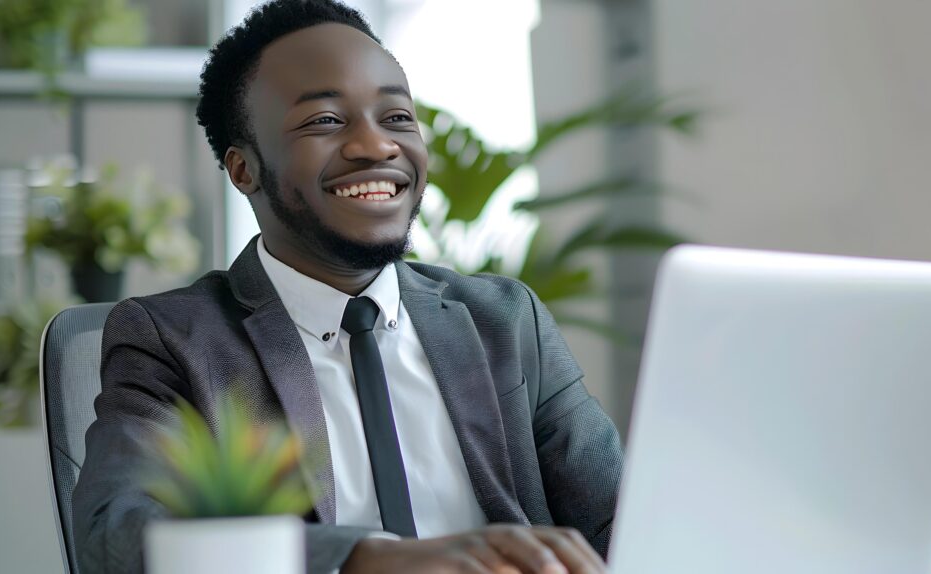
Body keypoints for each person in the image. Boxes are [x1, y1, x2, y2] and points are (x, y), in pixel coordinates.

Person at [72, 1, 623, 572]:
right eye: (326, 121)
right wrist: (360, 558)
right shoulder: (174, 339)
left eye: (397, 118)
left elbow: (620, 515)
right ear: (243, 169)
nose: (376, 146)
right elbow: (117, 537)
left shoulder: (504, 319)